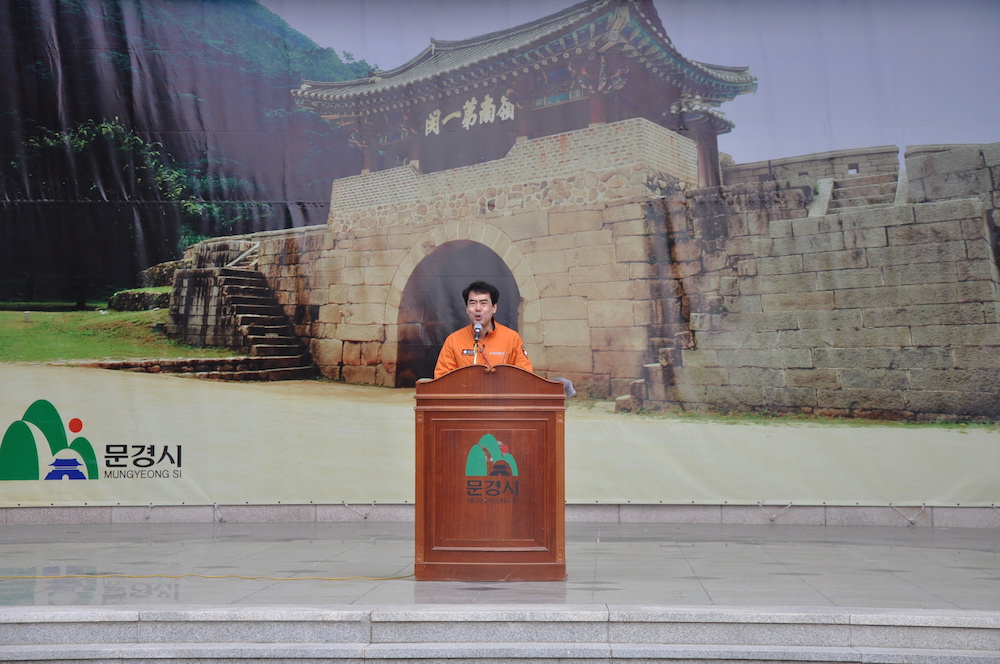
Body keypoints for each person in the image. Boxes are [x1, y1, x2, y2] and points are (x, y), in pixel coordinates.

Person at [434, 280, 533, 378]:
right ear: (467, 309)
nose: (478, 308)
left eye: (483, 303)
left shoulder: (511, 338)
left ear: (494, 308)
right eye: (473, 303)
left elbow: (525, 377)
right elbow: (442, 379)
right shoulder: (453, 341)